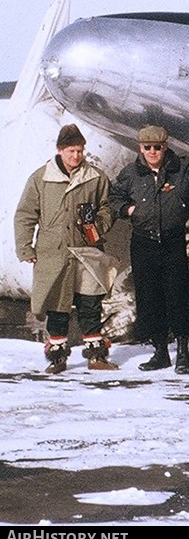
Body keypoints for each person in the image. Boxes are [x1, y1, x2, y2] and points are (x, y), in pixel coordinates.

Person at [13, 124, 116, 373]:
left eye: (80, 150)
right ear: (60, 150)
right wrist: (25, 248)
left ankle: (96, 356)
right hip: (52, 253)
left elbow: (107, 207)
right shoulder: (41, 178)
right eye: (71, 150)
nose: (76, 156)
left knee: (90, 303)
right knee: (57, 305)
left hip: (87, 252)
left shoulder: (95, 177)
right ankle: (58, 358)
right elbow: (26, 214)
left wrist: (98, 224)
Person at [109, 126, 189, 375]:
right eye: (147, 147)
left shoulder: (181, 168)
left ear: (165, 146)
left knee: (178, 295)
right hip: (143, 243)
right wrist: (128, 211)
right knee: (149, 298)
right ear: (140, 148)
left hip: (173, 242)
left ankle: (183, 352)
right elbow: (113, 198)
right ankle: (160, 352)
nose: (153, 152)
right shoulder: (131, 173)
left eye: (158, 147)